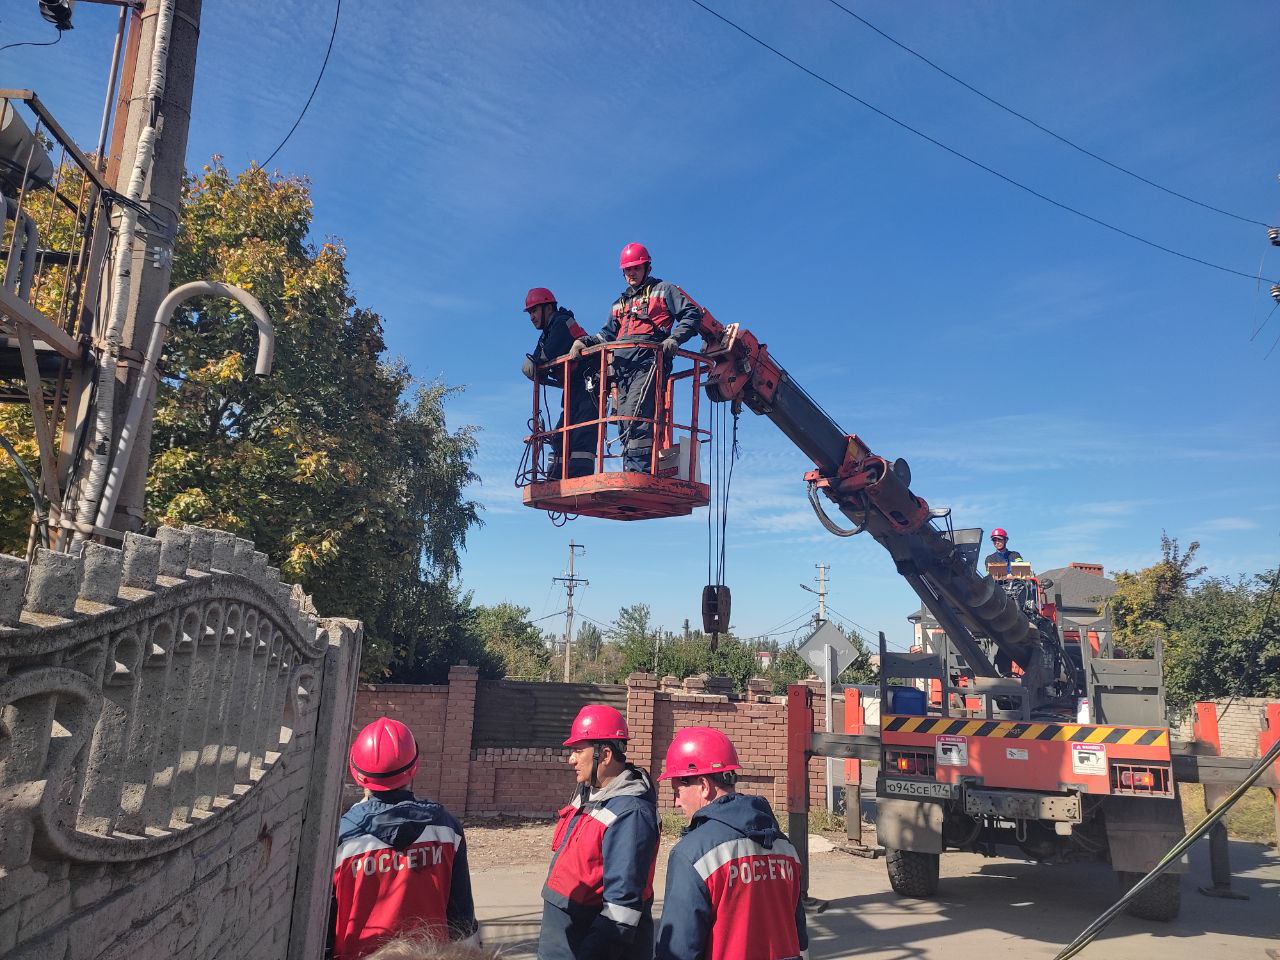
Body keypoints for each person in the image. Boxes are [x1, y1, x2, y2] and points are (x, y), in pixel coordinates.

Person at [654, 727, 807, 960]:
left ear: (704, 786)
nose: (676, 802)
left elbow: (678, 951)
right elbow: (799, 940)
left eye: (677, 790)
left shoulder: (692, 855)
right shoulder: (784, 846)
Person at [332, 718, 479, 960]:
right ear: (414, 767)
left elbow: (324, 917)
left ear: (355, 771)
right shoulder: (447, 828)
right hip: (429, 954)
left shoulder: (342, 837)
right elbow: (461, 916)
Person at [538, 704, 659, 960]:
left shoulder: (631, 813)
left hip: (588, 942)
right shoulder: (589, 791)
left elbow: (621, 908)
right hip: (564, 934)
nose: (571, 759)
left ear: (604, 755)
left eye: (578, 751)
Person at [569, 243, 703, 472]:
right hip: (621, 368)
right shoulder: (619, 304)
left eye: (636, 268)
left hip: (647, 363)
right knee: (622, 420)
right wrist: (584, 341)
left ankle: (638, 472)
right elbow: (606, 335)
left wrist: (675, 339)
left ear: (646, 268)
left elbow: (691, 314)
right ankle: (630, 470)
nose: (631, 273)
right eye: (627, 270)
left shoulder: (664, 290)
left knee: (636, 417)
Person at [523, 287, 597, 479]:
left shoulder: (561, 323)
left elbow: (546, 354)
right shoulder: (547, 331)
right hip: (575, 387)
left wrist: (534, 362)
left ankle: (579, 475)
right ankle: (556, 476)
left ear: (548, 308)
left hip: (590, 386)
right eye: (530, 312)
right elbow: (540, 354)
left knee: (582, 433)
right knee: (560, 436)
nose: (531, 317)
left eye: (534, 310)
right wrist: (534, 362)